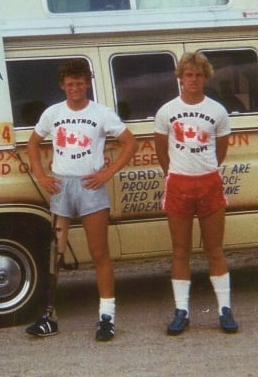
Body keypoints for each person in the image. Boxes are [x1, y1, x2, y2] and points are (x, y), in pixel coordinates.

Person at [24, 59, 138, 341]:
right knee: (55, 252)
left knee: (99, 253)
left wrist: (107, 173)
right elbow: (32, 143)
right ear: (63, 86)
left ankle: (107, 317)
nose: (75, 88)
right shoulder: (53, 112)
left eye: (79, 82)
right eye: (69, 84)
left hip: (90, 185)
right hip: (62, 187)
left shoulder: (101, 112)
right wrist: (42, 175)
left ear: (87, 83)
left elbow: (130, 142)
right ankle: (49, 316)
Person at [154, 51, 239, 335]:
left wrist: (203, 168)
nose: (193, 80)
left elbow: (221, 151)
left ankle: (224, 310)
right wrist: (177, 172)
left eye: (198, 75)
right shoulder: (166, 111)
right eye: (188, 75)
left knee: (214, 248)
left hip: (209, 184)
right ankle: (181, 311)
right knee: (181, 250)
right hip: (178, 184)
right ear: (180, 78)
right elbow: (161, 152)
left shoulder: (217, 110)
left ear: (205, 77)